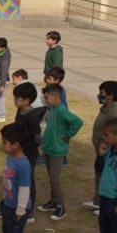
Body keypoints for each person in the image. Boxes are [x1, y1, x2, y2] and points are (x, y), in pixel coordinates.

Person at [0, 83, 45, 223]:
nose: (14, 100)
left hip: (28, 154)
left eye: (17, 98)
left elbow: (37, 137)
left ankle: (29, 211)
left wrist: (35, 149)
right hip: (17, 152)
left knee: (27, 181)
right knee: (12, 180)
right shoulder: (20, 111)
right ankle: (8, 205)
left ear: (27, 101)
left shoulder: (32, 116)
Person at [37, 84, 83, 220]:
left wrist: (68, 134)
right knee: (51, 178)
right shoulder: (51, 110)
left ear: (56, 97)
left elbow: (77, 122)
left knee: (55, 179)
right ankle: (53, 201)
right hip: (49, 149)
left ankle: (61, 206)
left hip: (57, 151)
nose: (44, 100)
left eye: (46, 97)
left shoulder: (62, 111)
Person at [83, 81, 117, 215]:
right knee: (99, 175)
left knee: (106, 178)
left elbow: (116, 135)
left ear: (111, 96)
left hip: (106, 151)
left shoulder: (114, 113)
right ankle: (97, 201)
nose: (99, 95)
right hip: (100, 150)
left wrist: (105, 147)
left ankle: (105, 205)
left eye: (102, 93)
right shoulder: (106, 108)